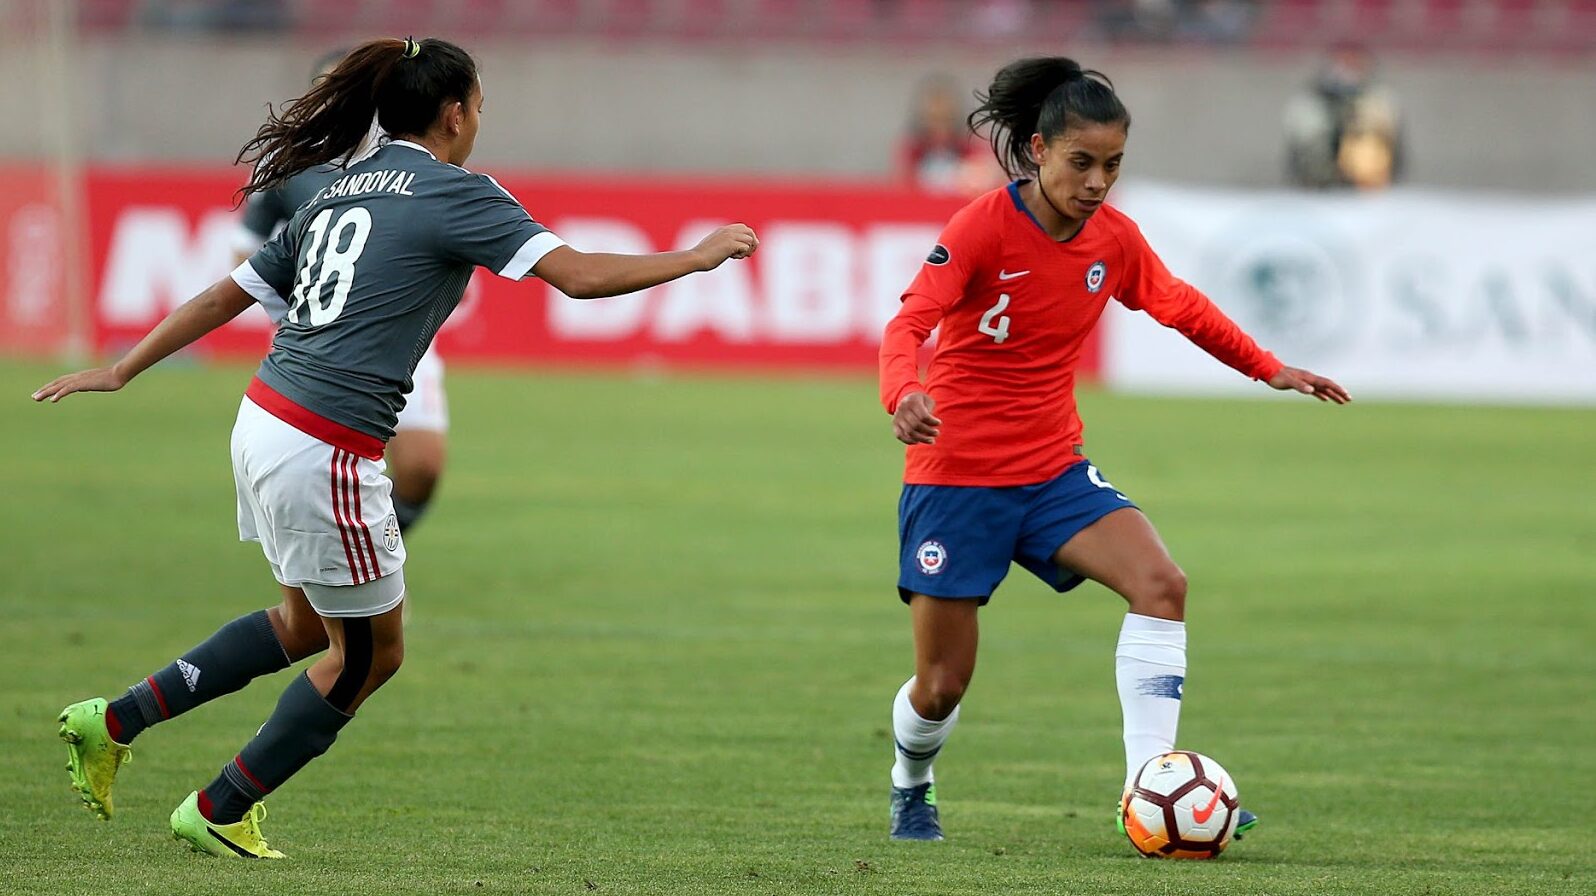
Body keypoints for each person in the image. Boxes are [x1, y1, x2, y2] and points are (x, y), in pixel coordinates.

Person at [39, 36, 757, 859]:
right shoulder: (456, 194)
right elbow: (580, 276)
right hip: (324, 443)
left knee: (305, 625)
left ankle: (113, 720)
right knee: (372, 657)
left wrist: (124, 368)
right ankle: (221, 805)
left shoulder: (338, 188)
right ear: (454, 112)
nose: (481, 119)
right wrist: (695, 257)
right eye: (481, 104)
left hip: (264, 418)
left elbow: (223, 294)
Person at [877, 56, 1350, 843]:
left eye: (1114, 165)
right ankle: (911, 782)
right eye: (1082, 163)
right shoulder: (980, 228)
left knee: (1162, 583)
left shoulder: (1114, 240)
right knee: (940, 687)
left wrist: (1268, 367)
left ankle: (1149, 787)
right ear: (1037, 151)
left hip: (1052, 470)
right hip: (955, 478)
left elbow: (1181, 306)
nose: (1098, 183)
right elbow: (909, 323)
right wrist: (905, 394)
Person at [233, 47, 447, 535]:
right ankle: (348, 574)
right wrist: (293, 312)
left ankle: (375, 553)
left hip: (401, 332)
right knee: (327, 465)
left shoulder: (407, 159)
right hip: (322, 338)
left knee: (422, 468)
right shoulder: (288, 164)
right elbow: (243, 251)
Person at [1284, 45, 1403, 190]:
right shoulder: (1310, 101)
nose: (1347, 69)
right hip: (1318, 183)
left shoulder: (1379, 98)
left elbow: (1392, 142)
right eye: (1343, 62)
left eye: (1354, 63)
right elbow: (1298, 145)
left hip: (1367, 186)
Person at [895, 74, 1000, 197]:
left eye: (945, 119)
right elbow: (902, 187)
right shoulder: (912, 150)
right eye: (934, 119)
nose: (939, 127)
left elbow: (987, 179)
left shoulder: (971, 147)